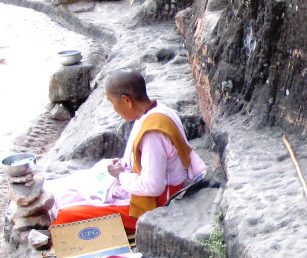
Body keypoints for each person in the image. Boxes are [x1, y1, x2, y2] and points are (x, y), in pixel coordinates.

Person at [47, 69, 206, 232]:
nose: (113, 108)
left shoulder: (152, 134)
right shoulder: (159, 110)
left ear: (126, 101)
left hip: (154, 202)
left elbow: (153, 187)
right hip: (150, 184)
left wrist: (120, 176)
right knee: (68, 187)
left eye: (111, 102)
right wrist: (125, 165)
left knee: (66, 216)